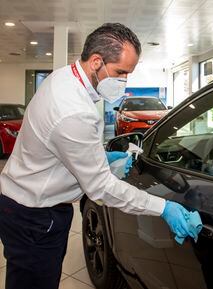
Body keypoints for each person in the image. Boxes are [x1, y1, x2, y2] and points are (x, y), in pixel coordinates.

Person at [0, 23, 198, 289]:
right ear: (96, 62)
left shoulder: (63, 78)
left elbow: (61, 145)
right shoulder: (74, 110)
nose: (124, 81)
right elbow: (101, 188)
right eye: (120, 72)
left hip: (22, 203)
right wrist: (164, 207)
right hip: (34, 215)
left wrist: (103, 155)